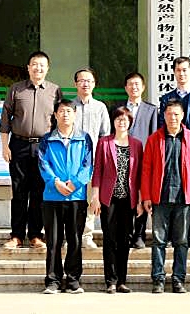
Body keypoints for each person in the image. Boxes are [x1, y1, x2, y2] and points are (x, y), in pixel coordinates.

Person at [0, 51, 62, 249]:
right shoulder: (16, 89)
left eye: (42, 65)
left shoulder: (55, 91)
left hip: (44, 146)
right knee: (19, 190)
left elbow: (59, 121)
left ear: (47, 68)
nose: (38, 68)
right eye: (34, 64)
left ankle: (35, 234)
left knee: (39, 191)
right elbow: (5, 118)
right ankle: (16, 235)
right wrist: (4, 146)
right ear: (28, 67)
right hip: (19, 145)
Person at [140, 98, 190, 294]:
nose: (172, 117)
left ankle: (178, 279)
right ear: (164, 116)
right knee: (158, 241)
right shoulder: (154, 139)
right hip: (160, 197)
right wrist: (146, 196)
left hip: (184, 198)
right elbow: (146, 169)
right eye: (169, 114)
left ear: (182, 115)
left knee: (181, 241)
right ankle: (158, 279)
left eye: (176, 114)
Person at [37, 99, 93, 294]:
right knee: (53, 241)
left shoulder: (84, 138)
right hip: (52, 197)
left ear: (75, 114)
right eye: (61, 111)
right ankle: (52, 281)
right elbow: (43, 164)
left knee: (75, 240)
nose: (65, 114)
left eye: (69, 111)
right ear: (55, 115)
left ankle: (73, 280)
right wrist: (55, 182)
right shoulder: (46, 139)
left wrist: (75, 183)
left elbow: (88, 165)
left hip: (76, 197)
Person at [91, 106, 143, 294]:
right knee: (110, 239)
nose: (122, 122)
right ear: (113, 122)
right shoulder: (104, 143)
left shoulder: (137, 144)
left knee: (125, 239)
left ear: (130, 122)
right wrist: (95, 196)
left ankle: (121, 280)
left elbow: (139, 175)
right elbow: (97, 170)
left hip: (128, 199)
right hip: (108, 198)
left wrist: (140, 200)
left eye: (125, 119)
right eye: (118, 119)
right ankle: (111, 281)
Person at [158, 57, 190, 248]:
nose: (182, 74)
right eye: (178, 70)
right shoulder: (166, 98)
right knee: (171, 190)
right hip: (170, 147)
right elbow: (162, 123)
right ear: (174, 72)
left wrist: (188, 139)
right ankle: (172, 234)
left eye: (185, 70)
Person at [72, 67, 110, 250]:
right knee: (72, 199)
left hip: (93, 161)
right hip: (71, 161)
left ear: (94, 84)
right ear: (75, 84)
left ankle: (86, 236)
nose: (85, 84)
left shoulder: (100, 107)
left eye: (89, 81)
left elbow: (105, 135)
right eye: (81, 80)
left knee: (90, 199)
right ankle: (72, 236)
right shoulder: (69, 107)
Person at [119, 71, 158, 249]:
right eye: (130, 84)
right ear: (125, 87)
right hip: (122, 157)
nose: (134, 87)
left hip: (143, 159)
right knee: (125, 196)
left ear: (143, 87)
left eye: (137, 84)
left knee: (143, 196)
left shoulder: (151, 110)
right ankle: (126, 233)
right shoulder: (119, 108)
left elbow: (154, 135)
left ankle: (139, 234)